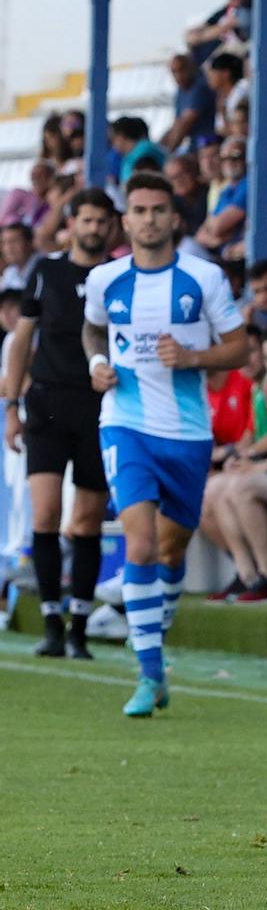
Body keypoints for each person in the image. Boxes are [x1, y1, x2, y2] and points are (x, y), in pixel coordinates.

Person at [82, 173, 252, 716]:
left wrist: (193, 358)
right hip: (124, 424)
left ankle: (155, 630)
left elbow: (239, 348)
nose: (149, 219)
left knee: (173, 549)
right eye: (139, 210)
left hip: (186, 434)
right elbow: (92, 330)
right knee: (141, 546)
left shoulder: (203, 279)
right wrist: (98, 365)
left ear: (173, 218)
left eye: (158, 210)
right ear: (125, 220)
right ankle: (149, 675)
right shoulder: (105, 279)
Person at [1, 190, 116, 658]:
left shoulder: (117, 277)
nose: (93, 228)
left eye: (101, 221)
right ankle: (51, 619)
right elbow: (22, 339)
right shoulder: (47, 271)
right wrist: (11, 404)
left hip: (97, 406)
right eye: (86, 220)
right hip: (47, 404)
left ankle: (80, 626)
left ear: (111, 227)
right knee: (46, 513)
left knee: (86, 521)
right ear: (72, 223)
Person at [199, 327, 267, 603]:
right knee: (211, 491)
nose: (250, 360)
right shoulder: (259, 387)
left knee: (237, 489)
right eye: (266, 356)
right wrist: (240, 457)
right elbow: (252, 437)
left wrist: (249, 458)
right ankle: (248, 575)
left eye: (253, 352)